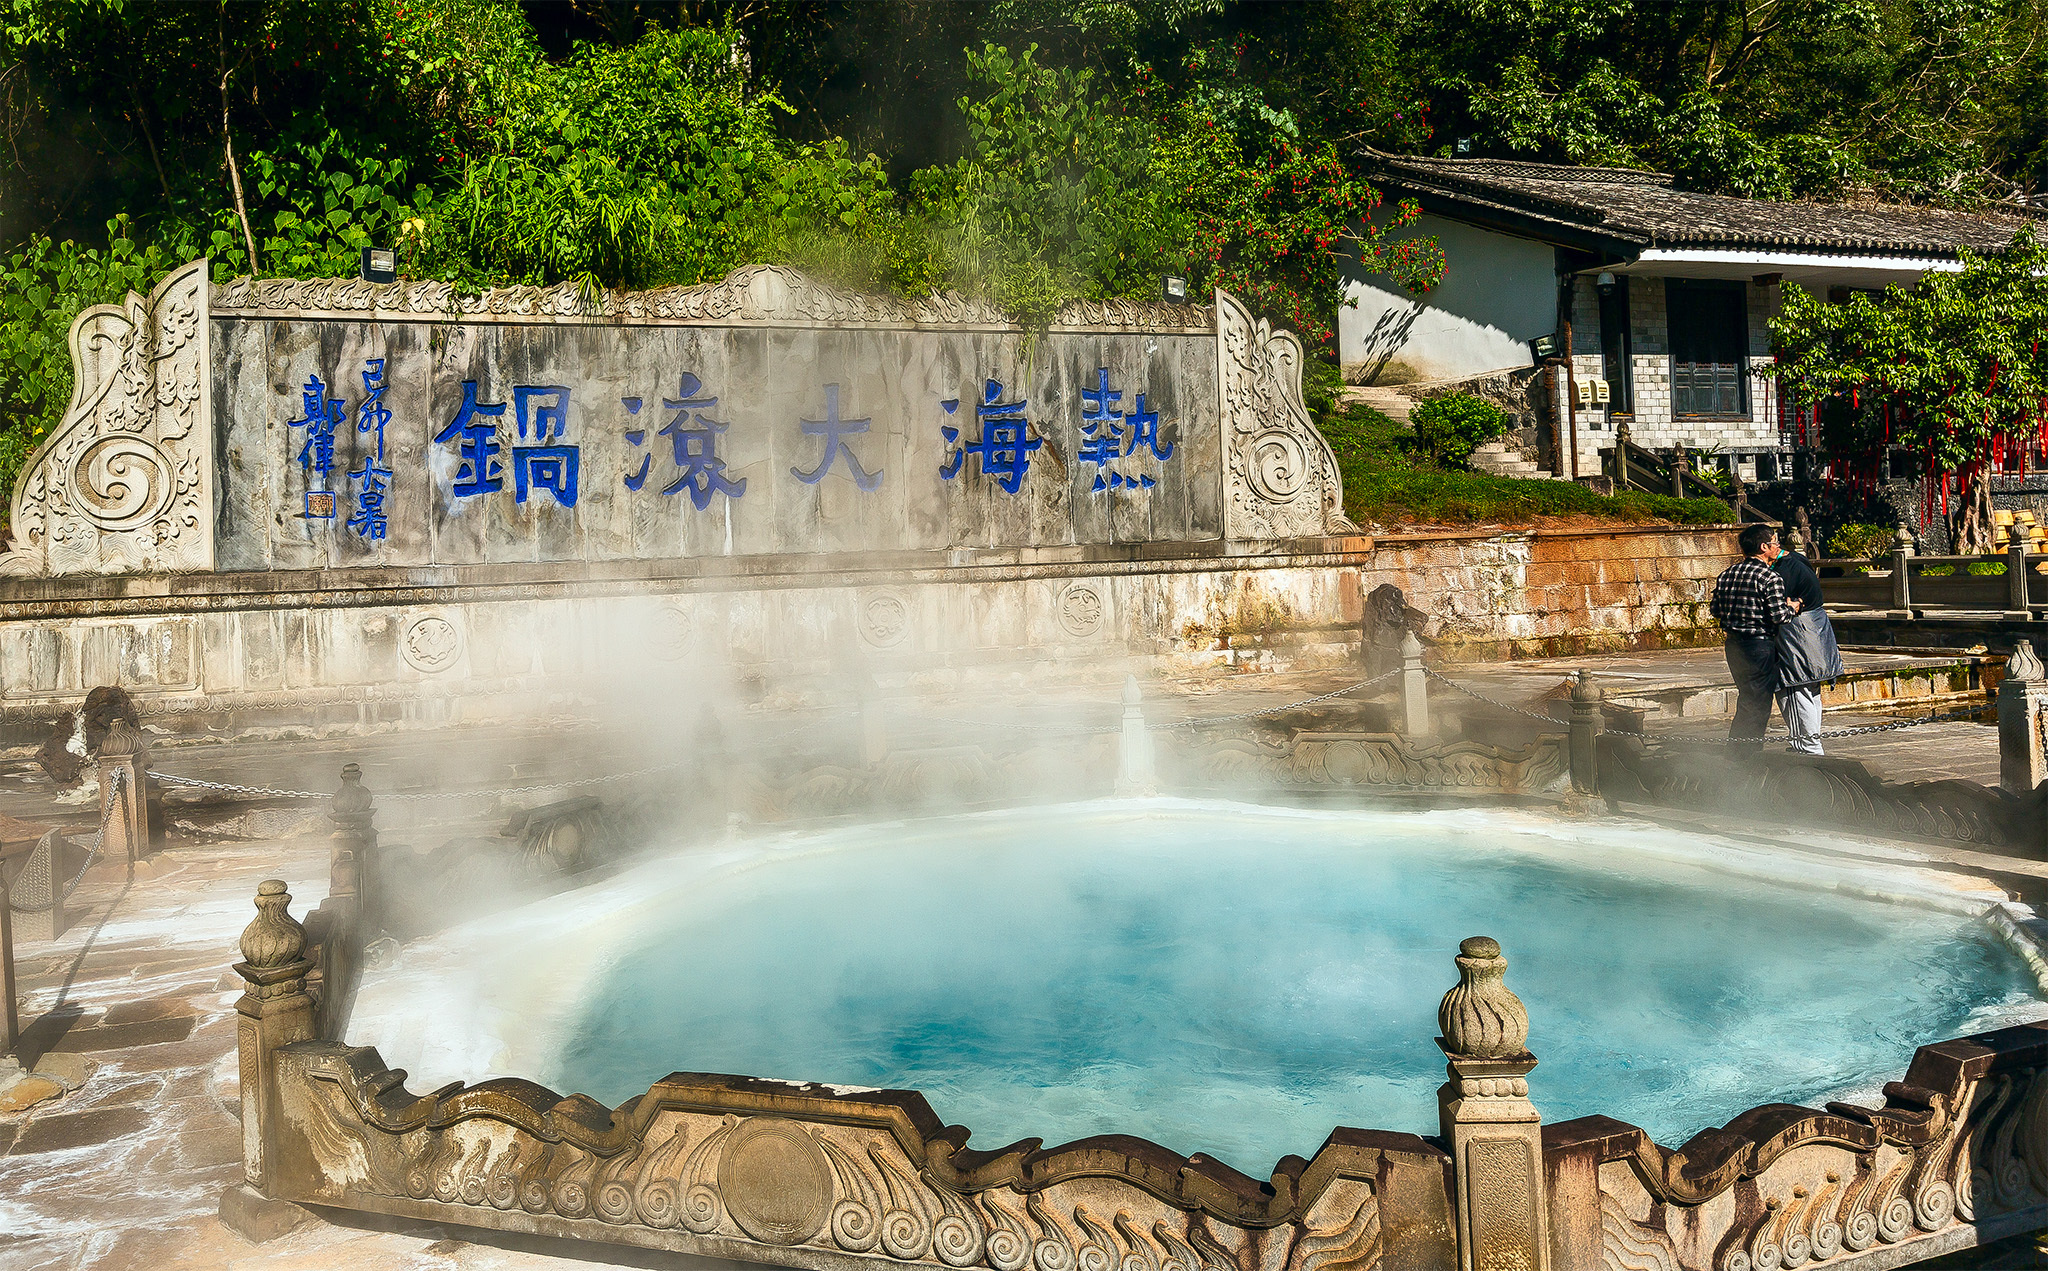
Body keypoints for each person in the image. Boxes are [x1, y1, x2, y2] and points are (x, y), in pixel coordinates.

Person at [1709, 524, 1798, 742]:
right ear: (1763, 547)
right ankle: (1744, 755)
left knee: (1747, 696)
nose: (1778, 546)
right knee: (1757, 702)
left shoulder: (1727, 574)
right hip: (1759, 645)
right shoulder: (1770, 578)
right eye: (1775, 542)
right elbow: (1779, 616)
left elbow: (1716, 610)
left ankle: (1738, 749)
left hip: (1734, 645)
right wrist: (1793, 608)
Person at [1770, 534, 1843, 755]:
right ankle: (1810, 743)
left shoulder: (1782, 570)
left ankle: (1808, 746)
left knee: (1794, 690)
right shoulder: (1797, 560)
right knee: (1810, 691)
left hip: (1797, 635)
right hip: (1814, 631)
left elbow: (1779, 607)